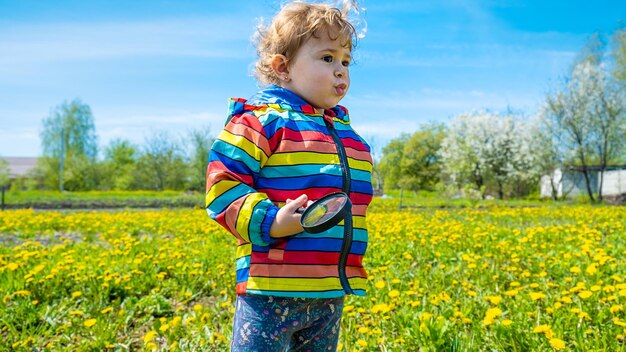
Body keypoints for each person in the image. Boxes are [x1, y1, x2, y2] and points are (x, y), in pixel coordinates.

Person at [205, 1, 373, 350]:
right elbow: (224, 184)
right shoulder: (260, 120)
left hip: (329, 288)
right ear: (283, 67)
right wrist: (271, 221)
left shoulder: (345, 131)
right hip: (271, 287)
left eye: (345, 60)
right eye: (327, 58)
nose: (340, 70)